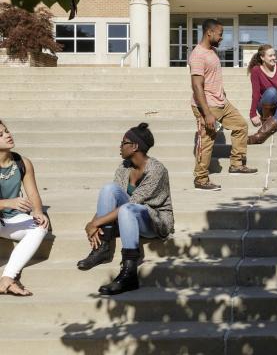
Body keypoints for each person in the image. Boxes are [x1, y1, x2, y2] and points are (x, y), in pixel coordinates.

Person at [77, 123, 174, 296]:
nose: (120, 147)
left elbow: (132, 204)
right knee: (109, 189)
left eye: (123, 143)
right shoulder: (124, 167)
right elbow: (113, 200)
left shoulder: (156, 170)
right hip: (128, 215)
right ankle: (103, 248)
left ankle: (129, 272)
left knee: (128, 209)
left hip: (154, 221)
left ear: (135, 146)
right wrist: (93, 222)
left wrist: (95, 223)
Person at [189, 18, 257, 192]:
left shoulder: (212, 51)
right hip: (207, 106)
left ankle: (236, 164)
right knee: (207, 140)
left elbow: (212, 77)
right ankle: (201, 178)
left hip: (221, 102)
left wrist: (223, 93)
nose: (221, 38)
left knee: (241, 126)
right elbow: (197, 86)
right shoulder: (198, 55)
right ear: (209, 32)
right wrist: (207, 114)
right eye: (220, 34)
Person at [0, 119, 49, 296]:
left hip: (12, 220)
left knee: (40, 227)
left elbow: (33, 194)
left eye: (6, 131)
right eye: (1, 135)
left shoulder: (22, 162)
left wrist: (37, 212)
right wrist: (7, 203)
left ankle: (7, 278)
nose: (8, 135)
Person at [246, 44, 277, 144]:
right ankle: (267, 118)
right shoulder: (256, 70)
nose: (274, 58)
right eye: (270, 56)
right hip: (264, 105)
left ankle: (259, 136)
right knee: (272, 91)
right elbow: (256, 94)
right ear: (262, 57)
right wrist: (252, 114)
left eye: (274, 55)